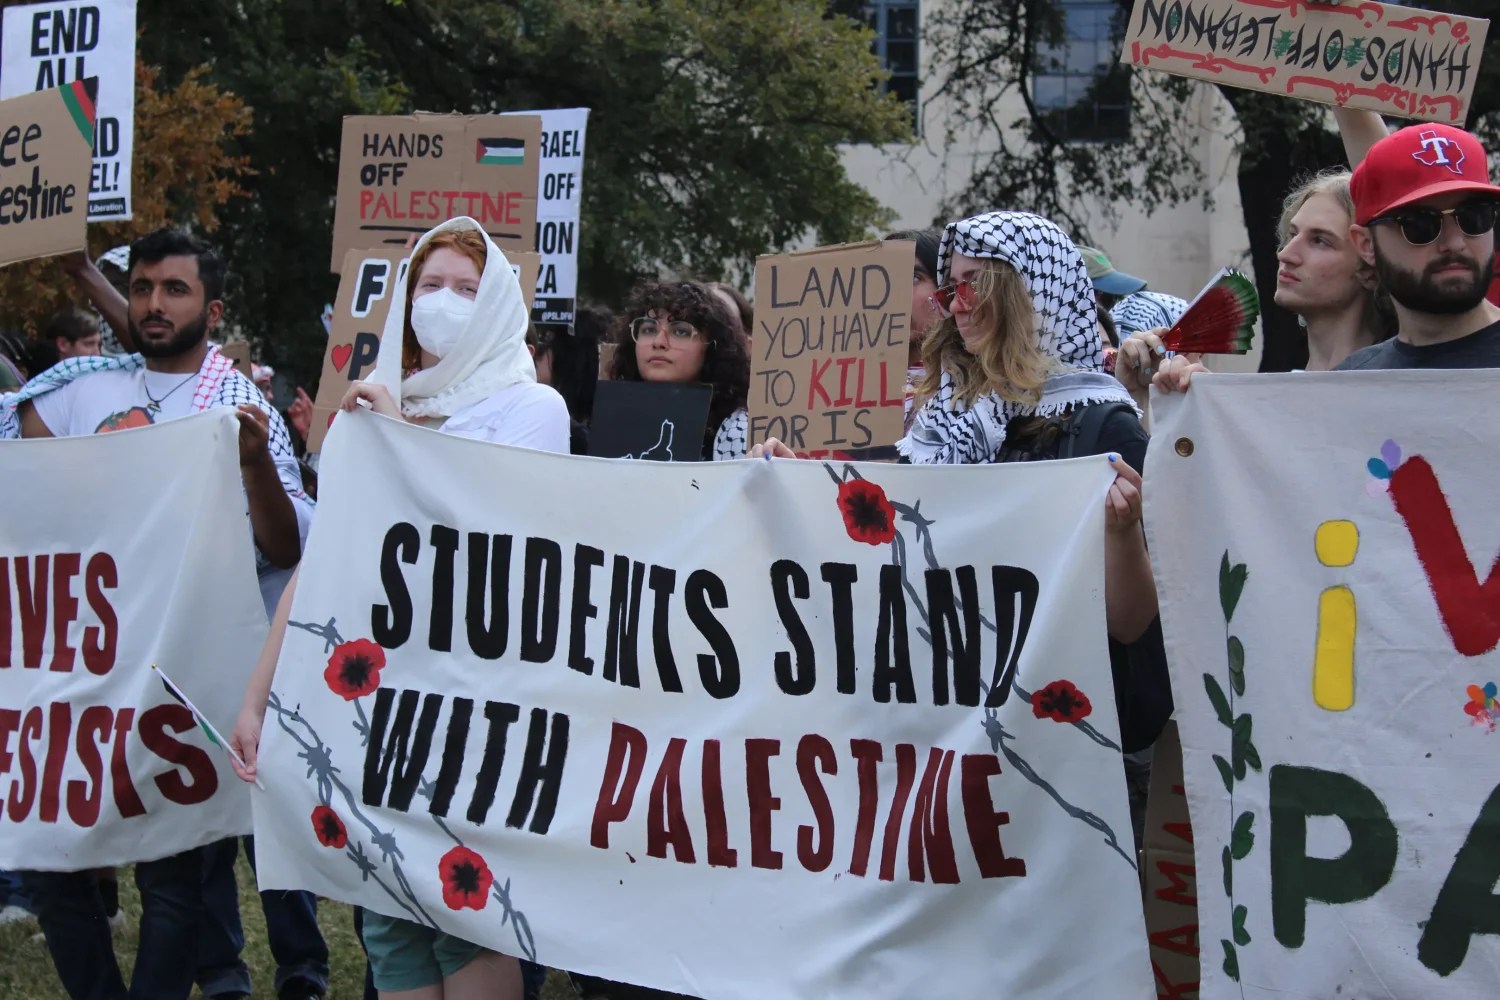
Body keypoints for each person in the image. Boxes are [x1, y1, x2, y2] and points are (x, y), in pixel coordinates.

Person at [232, 216, 568, 1000]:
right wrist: (258, 698)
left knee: (467, 911)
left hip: (476, 704)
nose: (443, 302)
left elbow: (497, 545)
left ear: (497, 305)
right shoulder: (373, 408)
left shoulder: (531, 407)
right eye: (429, 285)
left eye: (466, 288)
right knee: (389, 918)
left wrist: (394, 437)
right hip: (377, 705)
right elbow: (325, 563)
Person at [5, 227, 314, 1000]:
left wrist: (252, 465)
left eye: (175, 290)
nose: (153, 304)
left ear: (212, 310)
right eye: (142, 287)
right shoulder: (75, 392)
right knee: (49, 863)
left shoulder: (240, 407)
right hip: (77, 670)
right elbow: (29, 498)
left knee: (176, 876)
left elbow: (284, 546)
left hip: (176, 671)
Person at [759, 210, 1171, 756]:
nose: (954, 305)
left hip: (1067, 744)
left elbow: (1131, 623)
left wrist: (1120, 532)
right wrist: (798, 482)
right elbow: (889, 546)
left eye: (973, 285)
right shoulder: (948, 422)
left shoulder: (1104, 427)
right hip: (958, 730)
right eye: (950, 288)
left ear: (1029, 293)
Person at [608, 280, 751, 460]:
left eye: (680, 332)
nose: (658, 342)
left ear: (712, 346)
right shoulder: (610, 418)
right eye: (649, 329)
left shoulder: (736, 431)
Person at [886, 229, 941, 432]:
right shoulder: (844, 388)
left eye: (913, 278)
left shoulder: (974, 389)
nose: (893, 292)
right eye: (884, 278)